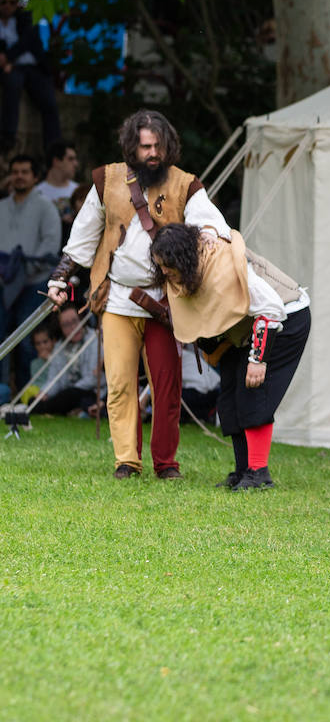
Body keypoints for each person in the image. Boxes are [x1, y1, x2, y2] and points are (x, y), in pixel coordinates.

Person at [46, 109, 231, 480]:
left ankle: (166, 463)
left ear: (168, 146)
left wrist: (209, 232)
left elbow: (209, 219)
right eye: (145, 146)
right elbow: (82, 238)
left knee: (167, 388)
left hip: (165, 303)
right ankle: (126, 460)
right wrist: (60, 277)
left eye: (158, 146)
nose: (152, 154)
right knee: (119, 384)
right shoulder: (107, 180)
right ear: (132, 147)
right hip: (116, 299)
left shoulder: (185, 184)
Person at [151, 222, 310, 491]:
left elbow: (271, 309)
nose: (164, 272)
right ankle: (242, 470)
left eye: (168, 265)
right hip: (248, 329)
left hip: (284, 318)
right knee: (229, 397)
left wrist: (257, 360)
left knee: (253, 393)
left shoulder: (224, 267)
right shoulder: (193, 270)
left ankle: (259, 473)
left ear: (183, 259)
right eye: (160, 266)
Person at [0, 154, 61, 387]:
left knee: (26, 340)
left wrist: (24, 269)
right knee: (1, 338)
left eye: (25, 172)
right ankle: (3, 393)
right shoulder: (2, 207)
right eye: (15, 171)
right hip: (3, 283)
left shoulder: (46, 208)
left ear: (35, 177)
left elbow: (50, 246)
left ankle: (31, 394)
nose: (19, 176)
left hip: (34, 283)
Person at [0, 0, 62, 152]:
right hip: (11, 69)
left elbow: (27, 41)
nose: (8, 6)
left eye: (12, 3)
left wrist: (7, 57)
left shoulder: (25, 18)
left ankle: (54, 148)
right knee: (12, 86)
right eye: (3, 2)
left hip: (33, 67)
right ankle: (8, 136)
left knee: (49, 102)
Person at [28, 304, 102, 417]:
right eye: (66, 325)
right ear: (60, 329)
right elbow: (54, 379)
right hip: (66, 393)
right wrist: (44, 393)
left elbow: (92, 379)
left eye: (75, 321)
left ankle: (45, 409)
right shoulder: (60, 346)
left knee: (69, 395)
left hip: (93, 391)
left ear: (82, 320)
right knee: (36, 400)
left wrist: (70, 390)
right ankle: (45, 407)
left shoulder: (94, 339)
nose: (73, 327)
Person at [35, 143, 80, 242]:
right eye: (70, 159)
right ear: (56, 161)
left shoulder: (79, 191)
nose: (76, 164)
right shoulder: (37, 193)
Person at [179, 343, 221, 425]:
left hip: (204, 390)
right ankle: (208, 415)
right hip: (213, 389)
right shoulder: (186, 355)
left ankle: (209, 414)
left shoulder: (178, 356)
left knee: (176, 400)